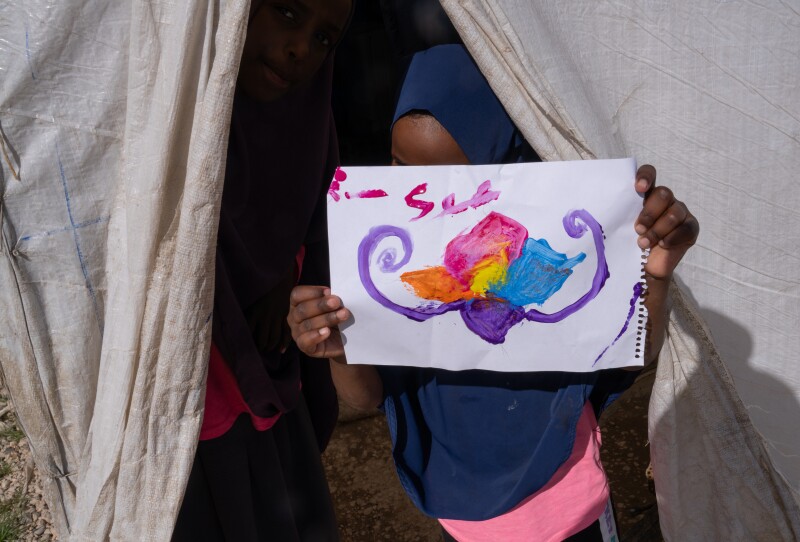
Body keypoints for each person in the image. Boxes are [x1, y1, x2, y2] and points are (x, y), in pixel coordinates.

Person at [289, 45, 699, 542]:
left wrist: (653, 276)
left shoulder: (542, 267)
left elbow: (634, 350)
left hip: (568, 515)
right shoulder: (402, 287)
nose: (424, 197)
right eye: (401, 166)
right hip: (460, 523)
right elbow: (368, 394)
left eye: (456, 181)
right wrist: (340, 350)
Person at [172, 1, 352, 540]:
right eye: (289, 13)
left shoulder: (308, 123)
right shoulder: (176, 123)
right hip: (193, 404)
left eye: (324, 39)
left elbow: (314, 218)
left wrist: (289, 274)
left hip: (270, 373)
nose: (301, 48)